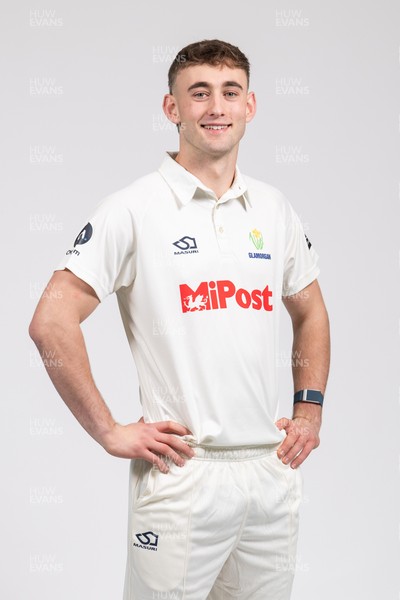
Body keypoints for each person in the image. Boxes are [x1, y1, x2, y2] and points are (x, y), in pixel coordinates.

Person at [29, 39, 330, 600]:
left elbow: (310, 308)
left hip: (269, 470)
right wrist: (107, 430)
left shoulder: (274, 208)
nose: (216, 106)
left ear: (250, 106)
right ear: (172, 109)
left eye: (229, 92)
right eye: (199, 93)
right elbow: (51, 320)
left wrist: (308, 408)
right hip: (183, 473)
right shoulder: (135, 208)